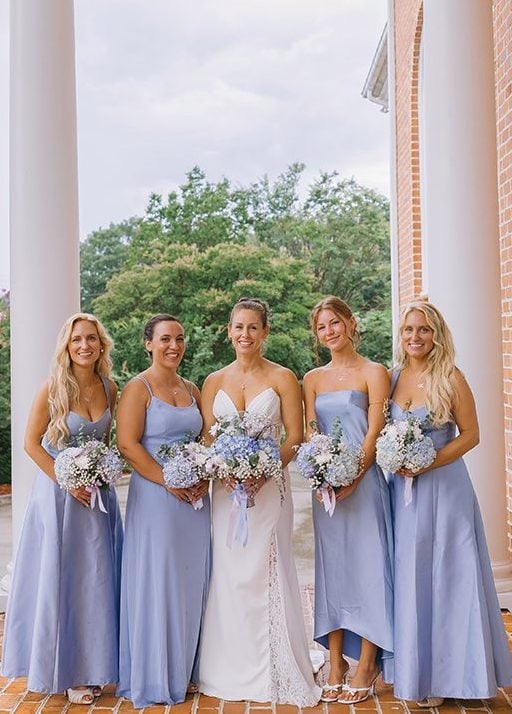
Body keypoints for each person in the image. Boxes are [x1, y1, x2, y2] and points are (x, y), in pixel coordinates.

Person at [198, 297, 320, 706]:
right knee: (229, 571)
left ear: (265, 331)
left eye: (253, 327)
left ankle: (274, 666)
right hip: (225, 492)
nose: (245, 334)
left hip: (269, 490)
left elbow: (294, 437)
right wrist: (226, 469)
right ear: (228, 331)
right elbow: (206, 439)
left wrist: (262, 469)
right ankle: (226, 664)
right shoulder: (213, 380)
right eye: (238, 327)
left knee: (265, 568)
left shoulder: (284, 377)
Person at [389, 299, 512, 705]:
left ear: (437, 335)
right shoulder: (392, 378)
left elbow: (472, 434)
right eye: (408, 330)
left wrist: (428, 462)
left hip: (445, 491)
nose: (415, 337)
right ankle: (417, 674)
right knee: (411, 577)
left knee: (449, 577)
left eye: (423, 330)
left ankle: (453, 677)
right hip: (404, 496)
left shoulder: (451, 377)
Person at [2, 313, 123, 705]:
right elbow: (31, 443)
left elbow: (107, 443)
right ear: (66, 347)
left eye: (91, 338)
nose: (84, 345)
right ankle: (66, 669)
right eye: (76, 340)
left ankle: (97, 666)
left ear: (101, 344)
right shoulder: (52, 388)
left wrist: (102, 472)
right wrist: (67, 480)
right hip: (59, 500)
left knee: (97, 583)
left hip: (98, 501)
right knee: (65, 583)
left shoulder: (110, 387)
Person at [116, 314, 211, 709]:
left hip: (194, 502)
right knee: (159, 581)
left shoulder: (192, 388)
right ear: (148, 344)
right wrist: (170, 481)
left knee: (191, 582)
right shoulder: (138, 388)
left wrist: (202, 473)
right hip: (156, 499)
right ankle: (155, 674)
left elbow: (206, 434)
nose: (174, 345)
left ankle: (186, 668)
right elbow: (127, 444)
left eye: (180, 338)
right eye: (166, 339)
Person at [303, 296, 394, 704]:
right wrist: (325, 474)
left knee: (369, 569)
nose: (330, 332)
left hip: (365, 482)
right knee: (334, 571)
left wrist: (355, 473)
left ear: (351, 323)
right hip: (327, 492)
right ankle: (335, 660)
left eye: (335, 323)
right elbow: (311, 431)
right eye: (322, 327)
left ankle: (367, 662)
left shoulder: (375, 372)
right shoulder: (313, 378)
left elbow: (375, 429)